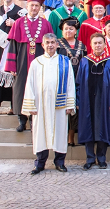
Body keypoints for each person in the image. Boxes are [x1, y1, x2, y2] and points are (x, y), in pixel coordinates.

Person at [0, 0, 53, 132]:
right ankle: (22, 120)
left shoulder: (46, 24)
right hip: (22, 61)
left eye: (37, 6)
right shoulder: (18, 23)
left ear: (40, 7)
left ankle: (35, 119)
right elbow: (13, 47)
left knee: (38, 90)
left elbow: (51, 47)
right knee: (20, 90)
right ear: (27, 6)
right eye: (31, 5)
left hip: (40, 61)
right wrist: (11, 66)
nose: (34, 8)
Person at [22, 34, 75, 175]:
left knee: (60, 132)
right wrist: (31, 105)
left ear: (57, 45)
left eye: (53, 42)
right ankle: (40, 163)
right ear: (43, 45)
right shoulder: (37, 63)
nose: (50, 45)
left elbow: (70, 83)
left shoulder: (65, 61)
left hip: (60, 104)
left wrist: (70, 103)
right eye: (47, 43)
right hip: (41, 105)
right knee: (40, 133)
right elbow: (30, 85)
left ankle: (59, 162)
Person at [76, 33, 110, 170]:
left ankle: (101, 158)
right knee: (88, 128)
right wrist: (78, 101)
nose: (97, 45)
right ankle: (90, 158)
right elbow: (78, 82)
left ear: (104, 44)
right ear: (90, 45)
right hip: (87, 101)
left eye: (100, 43)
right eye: (95, 43)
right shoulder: (84, 61)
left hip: (105, 101)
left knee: (103, 128)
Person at [56, 17, 85, 147]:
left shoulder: (81, 45)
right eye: (66, 28)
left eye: (71, 28)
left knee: (75, 108)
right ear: (62, 30)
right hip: (61, 81)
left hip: (78, 80)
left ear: (75, 31)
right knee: (62, 108)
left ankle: (71, 137)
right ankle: (60, 135)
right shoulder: (57, 44)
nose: (68, 31)